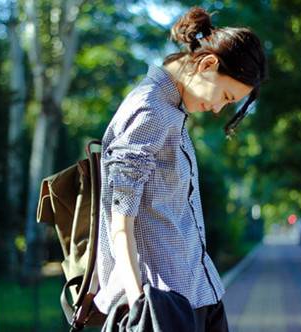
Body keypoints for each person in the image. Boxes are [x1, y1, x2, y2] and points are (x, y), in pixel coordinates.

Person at [93, 6, 267, 331]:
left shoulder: (172, 112)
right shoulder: (150, 110)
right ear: (208, 64)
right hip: (163, 302)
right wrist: (139, 306)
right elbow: (119, 223)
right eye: (225, 96)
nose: (217, 109)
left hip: (196, 292)